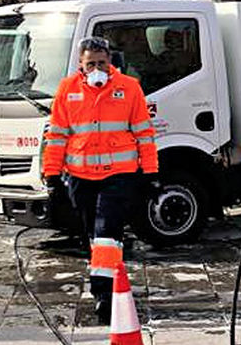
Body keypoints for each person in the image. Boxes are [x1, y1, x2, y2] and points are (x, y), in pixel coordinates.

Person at [41, 36, 158, 325]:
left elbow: (144, 133)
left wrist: (151, 171)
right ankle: (111, 276)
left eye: (102, 63)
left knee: (106, 231)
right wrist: (52, 174)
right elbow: (57, 136)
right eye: (91, 63)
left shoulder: (129, 88)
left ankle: (103, 295)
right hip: (80, 177)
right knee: (96, 237)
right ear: (81, 65)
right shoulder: (67, 90)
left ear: (111, 63)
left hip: (118, 175)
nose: (97, 68)